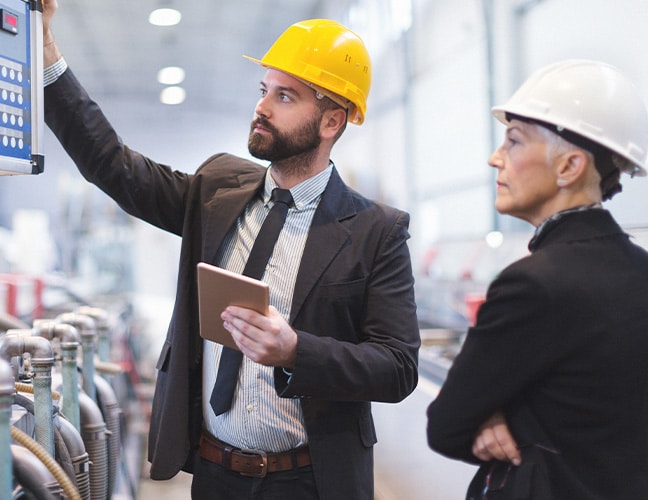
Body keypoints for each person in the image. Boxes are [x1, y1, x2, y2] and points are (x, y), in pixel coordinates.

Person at [40, 2, 420, 499]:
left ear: (332, 121)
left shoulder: (376, 231)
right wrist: (46, 49)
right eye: (264, 90)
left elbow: (397, 367)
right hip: (216, 475)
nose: (262, 107)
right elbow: (113, 166)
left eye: (285, 96)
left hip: (310, 481)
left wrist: (295, 351)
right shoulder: (216, 190)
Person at [426, 59, 648, 499]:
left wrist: (498, 418)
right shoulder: (640, 268)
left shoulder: (533, 284)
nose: (495, 159)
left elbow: (447, 426)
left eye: (513, 141)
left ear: (569, 167)